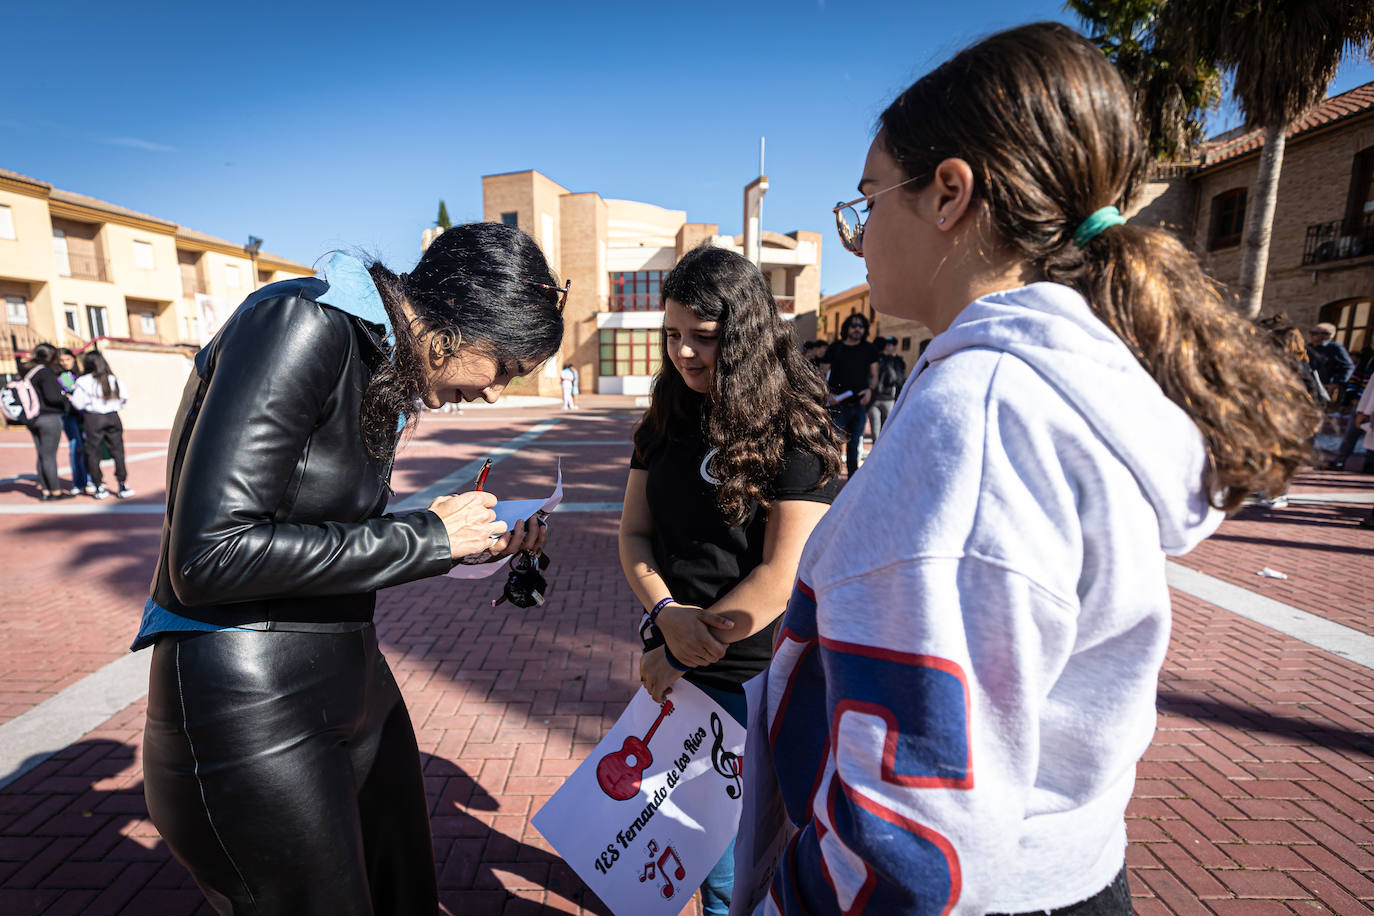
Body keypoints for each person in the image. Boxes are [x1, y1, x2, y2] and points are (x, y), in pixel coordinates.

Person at [761, 23, 1318, 916]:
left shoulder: (980, 415)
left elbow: (912, 837)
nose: (858, 235)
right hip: (1065, 871)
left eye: (867, 201)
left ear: (949, 194)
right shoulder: (1059, 381)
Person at [138, 223, 564, 916]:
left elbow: (324, 538)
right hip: (248, 696)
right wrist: (427, 538)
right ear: (458, 316)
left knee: (406, 897)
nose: (493, 396)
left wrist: (460, 544)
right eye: (505, 369)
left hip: (343, 672)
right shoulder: (301, 322)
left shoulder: (379, 365)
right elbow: (208, 556)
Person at [619, 244, 841, 916]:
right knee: (668, 849)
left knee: (728, 877)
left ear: (743, 336)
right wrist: (665, 616)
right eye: (672, 336)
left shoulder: (795, 426)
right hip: (677, 663)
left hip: (754, 681)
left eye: (704, 339)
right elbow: (634, 534)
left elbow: (782, 576)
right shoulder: (665, 417)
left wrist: (680, 648)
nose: (684, 353)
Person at [820, 314, 879, 475]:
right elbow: (821, 372)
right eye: (854, 325)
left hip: (859, 405)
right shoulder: (835, 347)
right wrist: (827, 394)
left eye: (861, 326)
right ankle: (830, 479)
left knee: (855, 445)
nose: (857, 328)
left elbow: (874, 375)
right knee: (834, 443)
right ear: (847, 327)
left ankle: (852, 479)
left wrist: (869, 390)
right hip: (837, 404)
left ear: (865, 329)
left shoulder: (869, 349)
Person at [70, 351, 134, 499]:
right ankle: (122, 485)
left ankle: (99, 486)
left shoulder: (83, 381)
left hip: (93, 418)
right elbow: (124, 398)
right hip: (113, 416)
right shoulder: (113, 379)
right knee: (118, 451)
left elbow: (77, 403)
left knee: (93, 452)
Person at [21, 343, 73, 501]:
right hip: (49, 418)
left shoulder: (28, 371)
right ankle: (55, 491)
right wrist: (65, 400)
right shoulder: (45, 372)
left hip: (32, 418)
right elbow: (52, 397)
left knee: (42, 454)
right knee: (49, 455)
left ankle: (45, 490)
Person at [55, 347, 91, 496]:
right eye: (61, 360)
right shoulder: (59, 377)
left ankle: (90, 480)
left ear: (73, 359)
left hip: (85, 415)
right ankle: (78, 482)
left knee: (88, 448)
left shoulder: (81, 375)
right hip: (68, 415)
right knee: (75, 447)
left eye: (67, 359)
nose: (65, 363)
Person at [867, 335, 906, 440]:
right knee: (876, 433)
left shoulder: (897, 361)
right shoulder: (874, 359)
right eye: (887, 345)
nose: (888, 347)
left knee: (887, 431)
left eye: (891, 345)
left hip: (889, 399)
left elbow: (899, 379)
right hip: (874, 399)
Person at [1307, 322, 1354, 402]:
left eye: (1315, 333)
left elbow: (1348, 367)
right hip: (1306, 385)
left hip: (1323, 388)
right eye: (1311, 332)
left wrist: (1336, 384)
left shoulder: (1335, 348)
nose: (1311, 335)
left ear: (1327, 335)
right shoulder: (1308, 347)